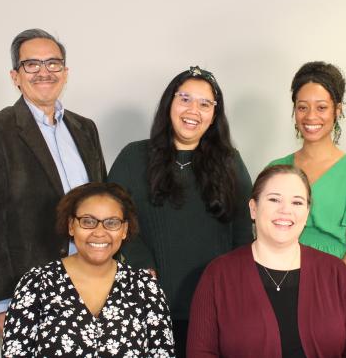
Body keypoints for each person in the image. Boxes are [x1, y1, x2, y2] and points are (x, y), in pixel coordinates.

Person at [0, 28, 107, 336]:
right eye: (32, 64)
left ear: (65, 72)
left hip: (93, 283)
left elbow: (105, 206)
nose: (44, 72)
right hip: (28, 291)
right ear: (16, 75)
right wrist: (3, 303)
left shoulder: (86, 129)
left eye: (53, 63)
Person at [108, 66, 253, 356]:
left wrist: (236, 286)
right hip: (147, 304)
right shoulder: (133, 156)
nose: (193, 110)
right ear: (169, 103)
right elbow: (111, 217)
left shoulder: (229, 161)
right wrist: (139, 259)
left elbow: (243, 231)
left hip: (214, 305)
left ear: (214, 114)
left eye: (205, 104)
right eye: (185, 99)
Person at [187, 165, 346, 357]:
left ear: (307, 212)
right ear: (253, 208)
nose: (286, 210)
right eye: (274, 199)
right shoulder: (218, 275)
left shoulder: (336, 272)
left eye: (297, 202)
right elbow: (200, 352)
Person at [1, 182, 175, 357]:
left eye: (112, 223)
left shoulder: (146, 289)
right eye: (88, 221)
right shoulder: (36, 284)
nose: (99, 232)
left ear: (124, 229)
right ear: (71, 225)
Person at [269, 61, 346, 295]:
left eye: (321, 107)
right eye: (302, 107)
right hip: (281, 283)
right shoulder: (275, 170)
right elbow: (263, 238)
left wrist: (322, 294)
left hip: (335, 287)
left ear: (337, 109)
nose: (310, 117)